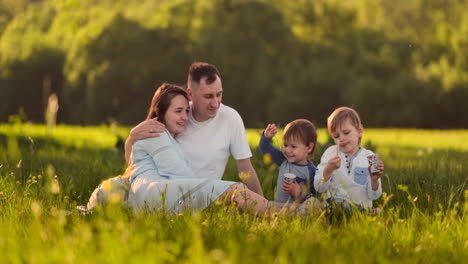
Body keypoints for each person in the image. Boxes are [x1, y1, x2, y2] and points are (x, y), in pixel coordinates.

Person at [111, 83, 273, 215]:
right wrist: (213, 190)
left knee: (227, 200)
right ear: (160, 112)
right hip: (155, 195)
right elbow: (179, 174)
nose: (184, 117)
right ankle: (280, 216)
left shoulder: (155, 135)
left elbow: (132, 162)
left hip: (151, 196)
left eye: (186, 111)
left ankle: (276, 210)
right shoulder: (157, 134)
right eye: (178, 111)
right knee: (235, 190)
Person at [125, 62, 263, 196]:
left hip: (208, 195)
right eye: (208, 96)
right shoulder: (177, 114)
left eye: (219, 94)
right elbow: (141, 154)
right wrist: (132, 137)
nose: (215, 103)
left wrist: (262, 203)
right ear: (190, 94)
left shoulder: (230, 118)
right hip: (171, 193)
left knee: (238, 192)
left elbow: (245, 169)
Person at [314, 107, 384, 210]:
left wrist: (374, 181)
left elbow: (374, 196)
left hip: (360, 208)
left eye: (346, 133)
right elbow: (318, 188)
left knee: (377, 212)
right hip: (334, 207)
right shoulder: (330, 154)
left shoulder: (370, 156)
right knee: (314, 204)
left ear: (359, 130)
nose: (341, 139)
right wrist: (328, 170)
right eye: (336, 136)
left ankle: (367, 213)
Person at [259, 119, 317, 205]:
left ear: (309, 147)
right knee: (262, 205)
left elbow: (314, 198)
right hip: (278, 207)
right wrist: (267, 137)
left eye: (293, 147)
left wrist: (299, 193)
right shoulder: (283, 159)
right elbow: (265, 149)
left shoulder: (312, 171)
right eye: (285, 145)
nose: (288, 150)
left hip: (297, 211)